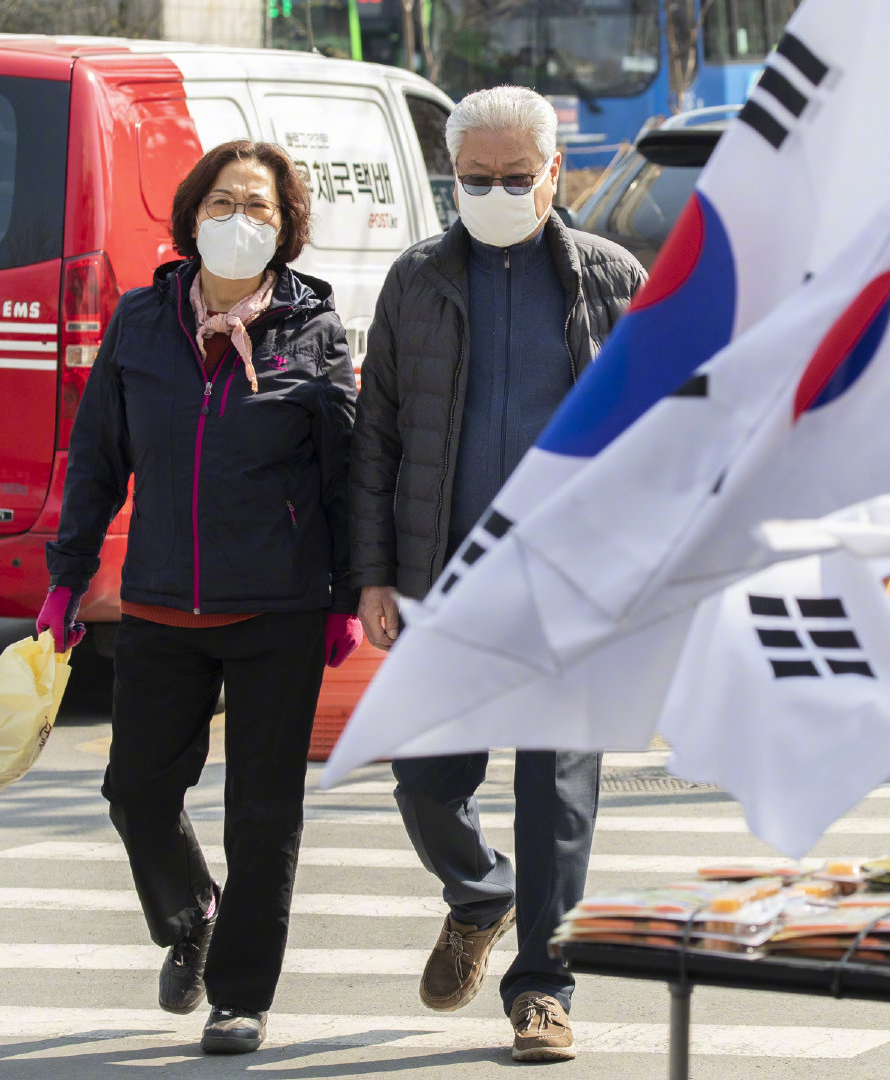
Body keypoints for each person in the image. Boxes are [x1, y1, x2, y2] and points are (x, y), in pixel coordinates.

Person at [37, 140, 362, 1055]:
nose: (240, 220)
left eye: (260, 208)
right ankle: (191, 913)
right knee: (136, 790)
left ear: (286, 228)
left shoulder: (315, 334)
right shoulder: (139, 325)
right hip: (159, 605)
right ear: (190, 214)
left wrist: (343, 595)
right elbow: (98, 456)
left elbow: (344, 477)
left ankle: (241, 995)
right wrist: (65, 578)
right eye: (224, 201)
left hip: (278, 608)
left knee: (263, 813)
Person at [349, 85, 646, 1063]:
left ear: (556, 173)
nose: (494, 193)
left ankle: (541, 992)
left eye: (515, 179)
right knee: (427, 784)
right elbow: (378, 438)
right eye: (475, 180)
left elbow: (656, 443)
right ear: (452, 177)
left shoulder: (610, 277)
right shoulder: (418, 281)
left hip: (568, 587)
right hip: (445, 580)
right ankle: (479, 893)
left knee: (554, 800)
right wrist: (375, 577)